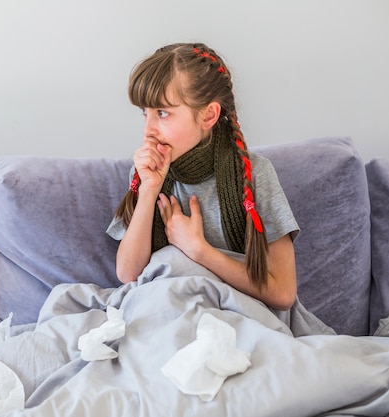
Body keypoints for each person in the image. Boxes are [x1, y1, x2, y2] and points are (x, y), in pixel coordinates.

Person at [106, 42, 299, 311]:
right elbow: (128, 274)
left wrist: (197, 250)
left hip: (237, 315)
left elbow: (283, 293)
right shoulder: (145, 174)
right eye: (144, 113)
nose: (148, 129)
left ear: (208, 115)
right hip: (167, 309)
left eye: (162, 113)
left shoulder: (254, 174)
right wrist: (149, 191)